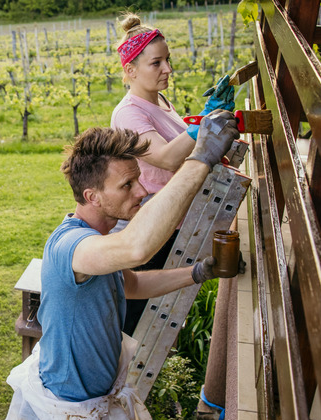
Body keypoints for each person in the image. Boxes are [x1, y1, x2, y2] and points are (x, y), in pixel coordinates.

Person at [5, 110, 240, 420]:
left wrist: (197, 273)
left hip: (91, 404)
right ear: (93, 197)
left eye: (138, 179)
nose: (141, 191)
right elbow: (136, 249)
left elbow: (132, 283)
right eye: (127, 185)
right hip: (66, 417)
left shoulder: (99, 244)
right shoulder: (72, 246)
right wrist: (200, 158)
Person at [110, 13, 236, 336]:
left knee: (158, 317)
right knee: (135, 321)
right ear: (130, 71)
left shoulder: (161, 101)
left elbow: (184, 146)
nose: (168, 69)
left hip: (174, 219)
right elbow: (166, 158)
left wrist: (211, 119)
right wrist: (205, 122)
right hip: (154, 223)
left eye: (167, 60)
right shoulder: (127, 113)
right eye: (157, 63)